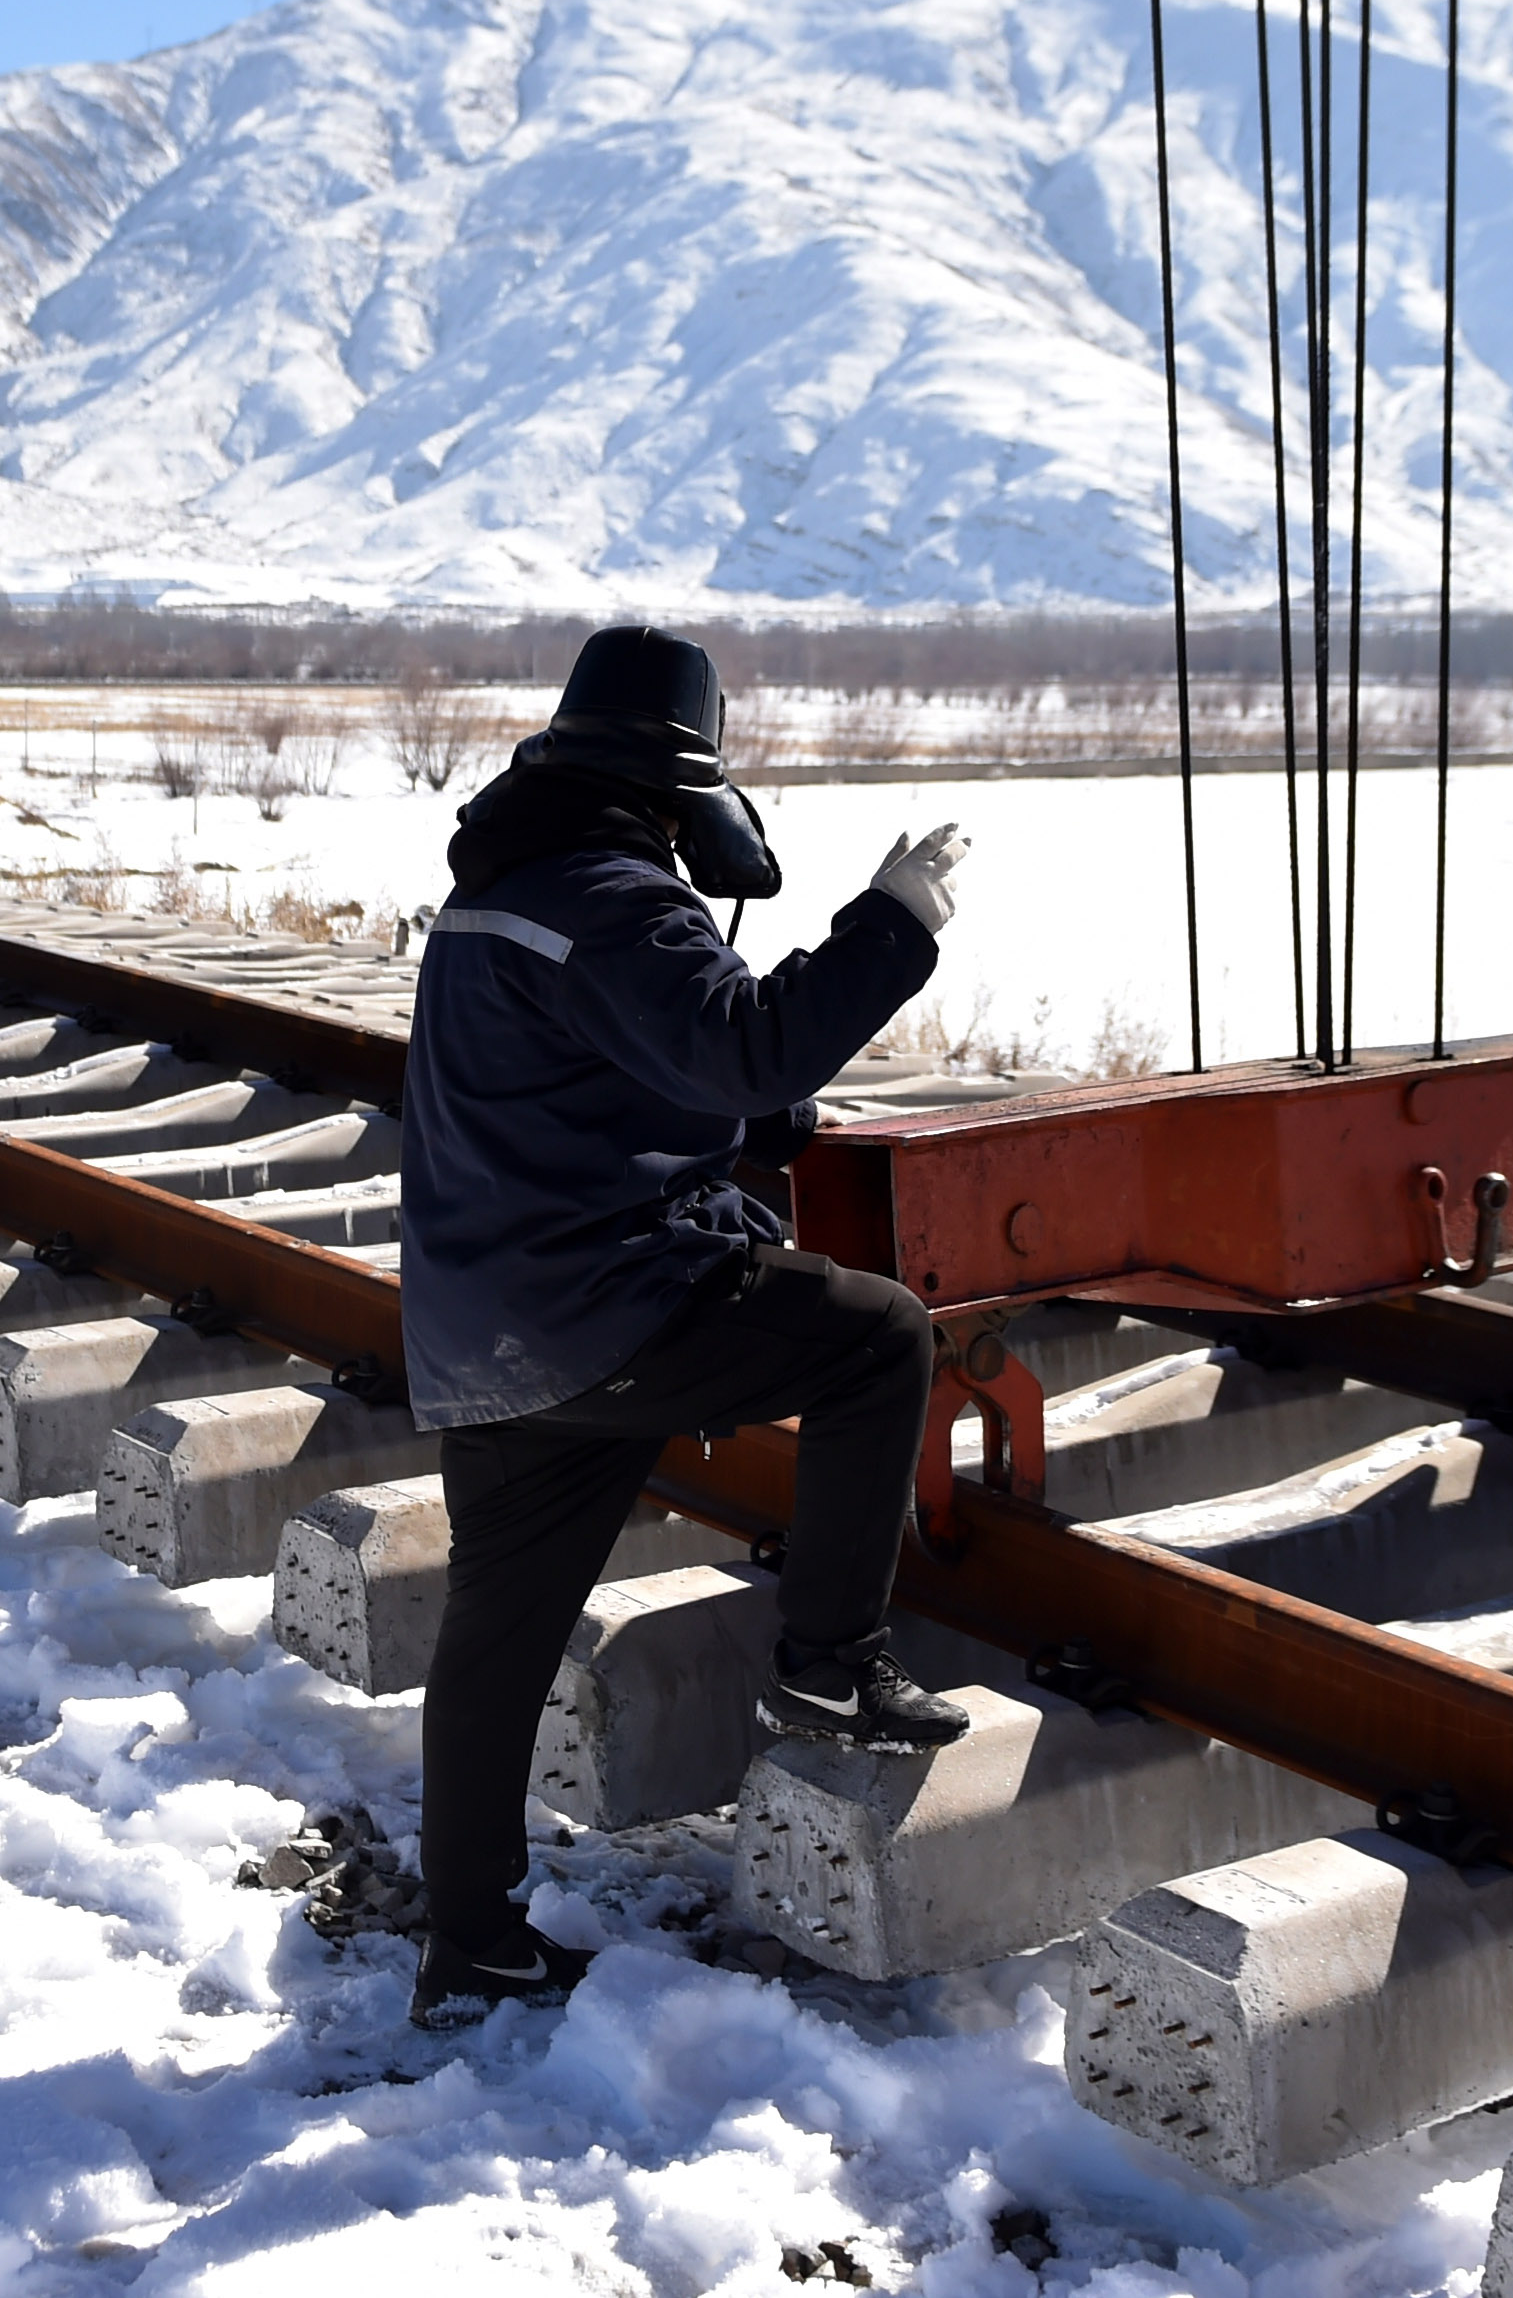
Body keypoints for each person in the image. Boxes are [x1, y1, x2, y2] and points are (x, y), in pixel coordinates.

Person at [397, 626, 971, 2026]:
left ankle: (466, 1940)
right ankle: (829, 1669)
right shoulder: (615, 898)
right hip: (603, 1309)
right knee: (877, 1337)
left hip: (482, 1338)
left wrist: (746, 1112)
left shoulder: (496, 903)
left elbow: (628, 1069)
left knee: (495, 1637)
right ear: (680, 795)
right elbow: (750, 1044)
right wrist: (892, 923)